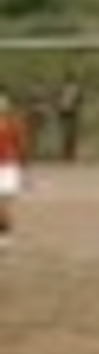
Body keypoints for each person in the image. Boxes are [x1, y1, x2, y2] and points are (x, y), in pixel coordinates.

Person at [0, 90, 26, 247]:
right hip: (8, 166)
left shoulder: (13, 125)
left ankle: (4, 233)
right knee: (3, 204)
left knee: (4, 203)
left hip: (8, 166)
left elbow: (20, 146)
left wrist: (21, 167)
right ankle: (4, 232)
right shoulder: (13, 124)